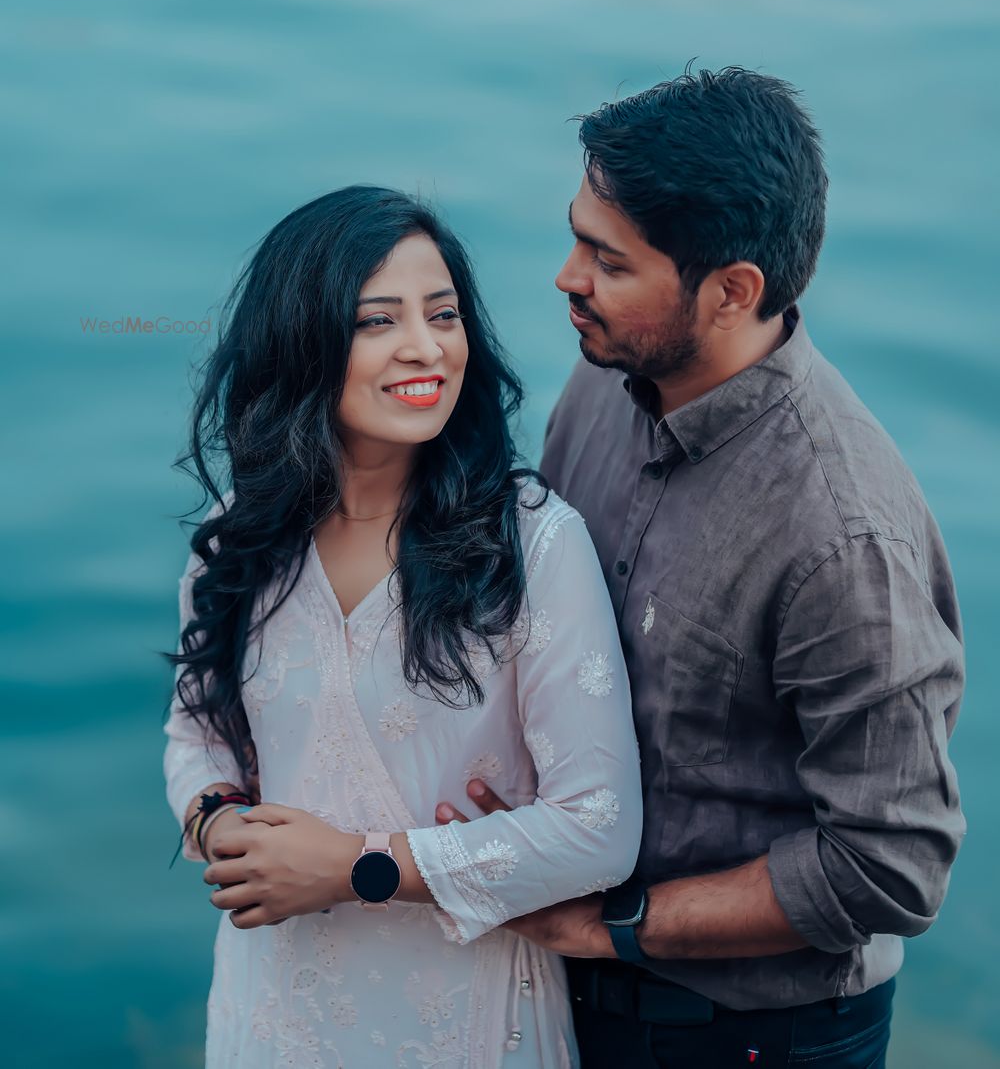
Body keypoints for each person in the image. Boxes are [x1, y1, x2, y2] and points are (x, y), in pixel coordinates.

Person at [449, 69, 965, 1069]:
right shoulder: (607, 379)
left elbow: (893, 865)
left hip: (746, 1037)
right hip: (570, 989)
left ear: (731, 291)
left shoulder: (841, 539)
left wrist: (616, 924)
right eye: (575, 237)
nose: (566, 277)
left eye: (607, 259)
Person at [161, 185, 643, 1068]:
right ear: (300, 341)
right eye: (376, 321)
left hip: (463, 1019)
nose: (426, 348)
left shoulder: (532, 544)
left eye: (444, 313)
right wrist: (215, 819)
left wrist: (359, 867)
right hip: (269, 1009)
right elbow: (197, 730)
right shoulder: (241, 537)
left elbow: (599, 827)